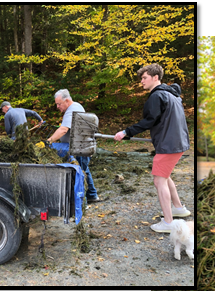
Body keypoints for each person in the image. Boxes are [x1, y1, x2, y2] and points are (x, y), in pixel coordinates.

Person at [114, 64, 191, 233]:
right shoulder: (172, 95)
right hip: (177, 142)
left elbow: (150, 120)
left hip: (168, 145)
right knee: (165, 175)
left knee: (158, 180)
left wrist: (126, 132)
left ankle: (169, 223)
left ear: (155, 77)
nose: (141, 82)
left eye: (144, 78)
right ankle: (178, 208)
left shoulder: (157, 96)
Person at [48, 89, 102, 203]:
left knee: (79, 174)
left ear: (67, 101)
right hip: (81, 147)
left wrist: (48, 142)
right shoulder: (76, 106)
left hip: (79, 148)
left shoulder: (72, 110)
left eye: (59, 104)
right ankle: (92, 195)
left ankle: (82, 203)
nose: (57, 107)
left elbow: (63, 130)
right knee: (84, 170)